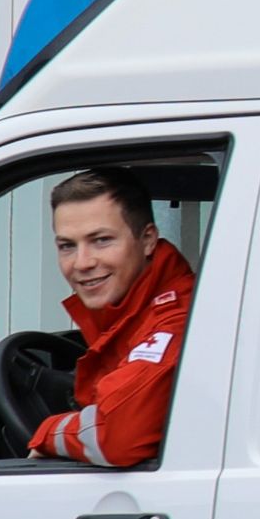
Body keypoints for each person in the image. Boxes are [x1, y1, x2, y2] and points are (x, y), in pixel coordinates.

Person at [26, 169, 194, 468]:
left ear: (147, 240)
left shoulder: (176, 319)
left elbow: (117, 439)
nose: (82, 262)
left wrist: (50, 432)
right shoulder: (128, 313)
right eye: (67, 246)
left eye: (101, 240)